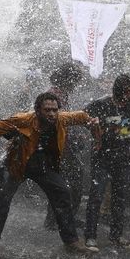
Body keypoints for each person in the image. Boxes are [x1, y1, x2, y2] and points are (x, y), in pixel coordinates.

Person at [0, 92, 98, 258]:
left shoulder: (62, 119)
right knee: (1, 199)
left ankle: (71, 241)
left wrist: (93, 126)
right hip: (17, 163)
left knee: (62, 193)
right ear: (38, 110)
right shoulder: (23, 119)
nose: (52, 114)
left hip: (44, 165)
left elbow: (83, 116)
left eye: (55, 110)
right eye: (47, 110)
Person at [83, 74, 130, 252]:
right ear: (118, 90)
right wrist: (92, 124)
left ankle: (117, 235)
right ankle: (90, 236)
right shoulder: (101, 103)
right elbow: (83, 117)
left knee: (119, 197)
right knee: (96, 196)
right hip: (102, 156)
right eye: (127, 91)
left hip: (123, 157)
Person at [44, 63, 86, 230]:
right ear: (68, 79)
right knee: (70, 181)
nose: (76, 84)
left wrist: (75, 134)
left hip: (61, 144)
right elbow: (54, 121)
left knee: (62, 182)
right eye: (75, 80)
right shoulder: (54, 95)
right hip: (58, 146)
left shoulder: (60, 93)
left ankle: (59, 218)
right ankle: (60, 219)